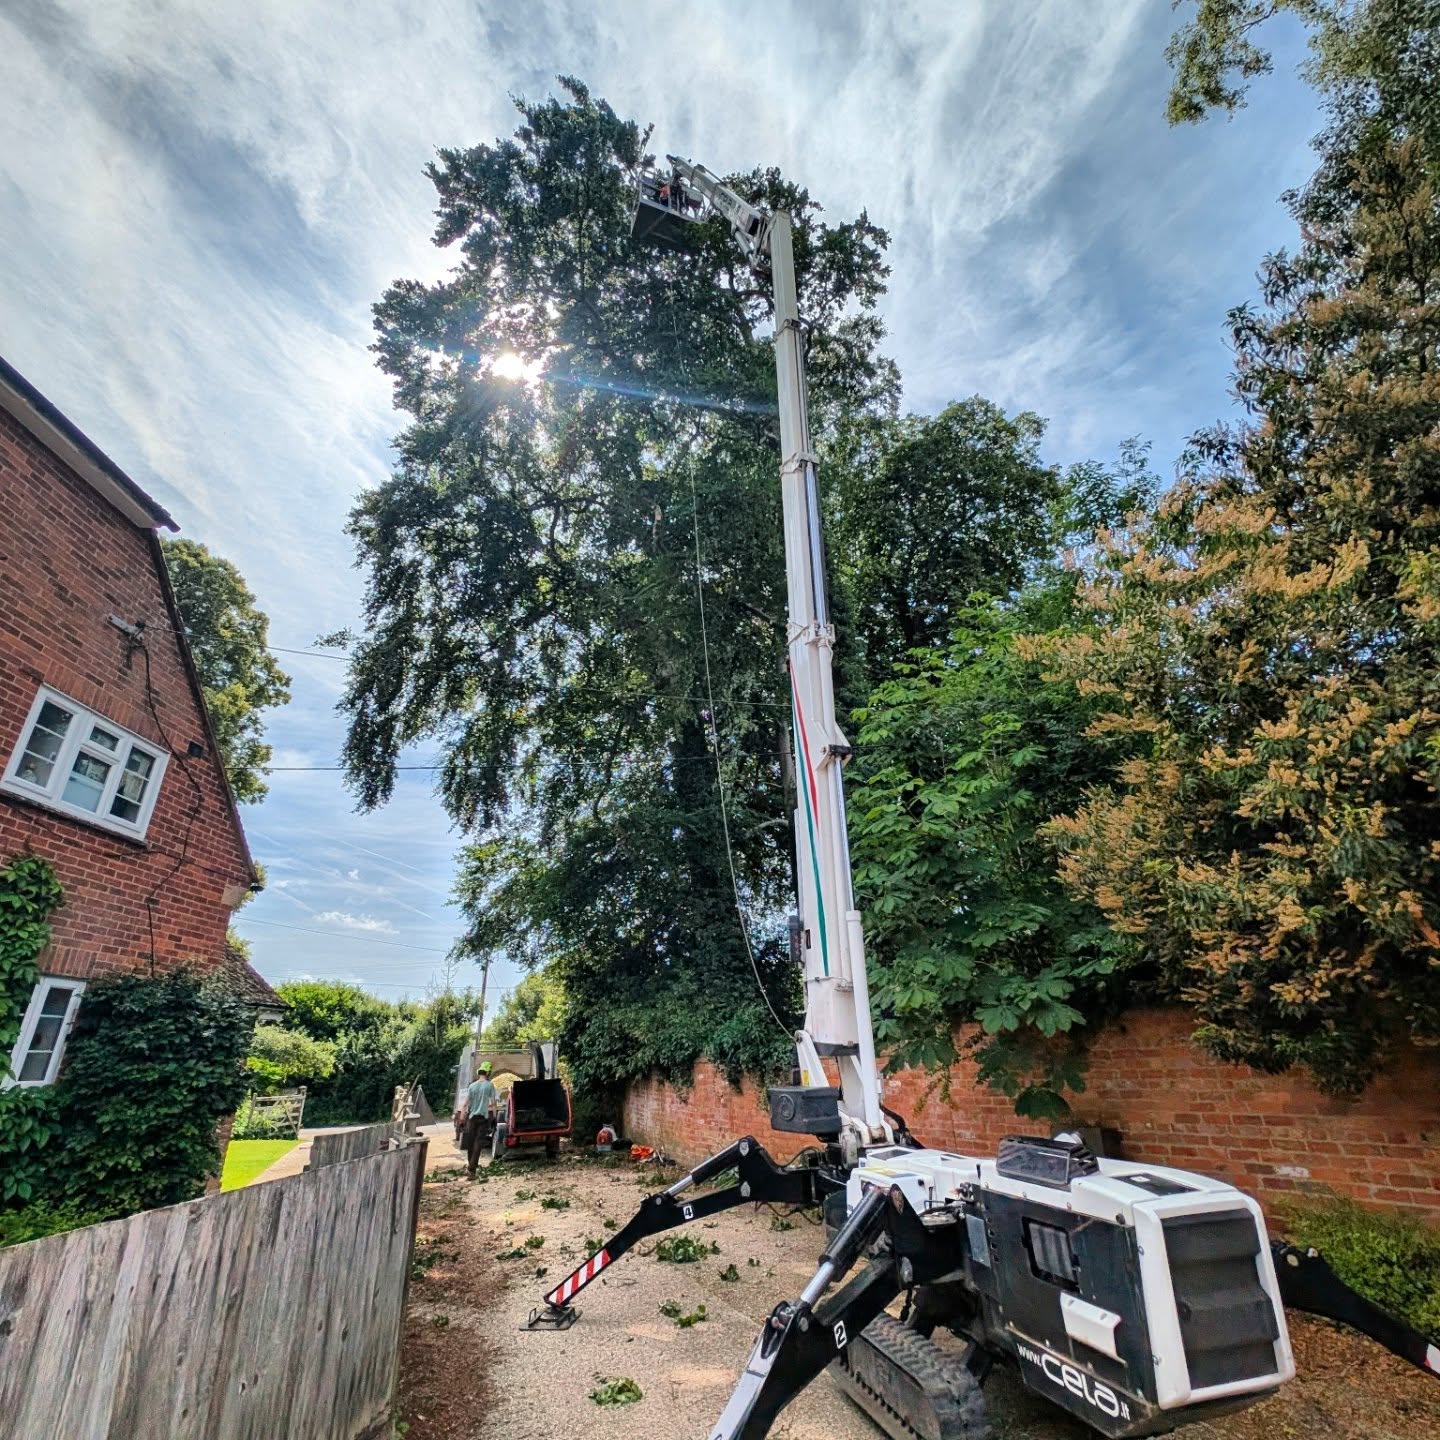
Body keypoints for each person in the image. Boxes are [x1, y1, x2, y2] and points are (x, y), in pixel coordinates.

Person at [462, 1061, 499, 1178]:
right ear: (488, 1073)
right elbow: (493, 1103)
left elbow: (465, 1105)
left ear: (479, 1072)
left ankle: (470, 1168)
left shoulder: (472, 1086)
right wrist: (494, 1117)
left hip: (471, 1118)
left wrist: (462, 1118)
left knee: (470, 1143)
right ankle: (471, 1169)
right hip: (483, 1118)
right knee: (478, 1143)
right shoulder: (490, 1085)